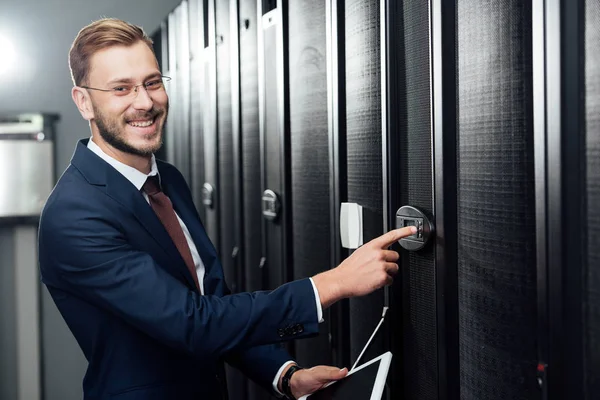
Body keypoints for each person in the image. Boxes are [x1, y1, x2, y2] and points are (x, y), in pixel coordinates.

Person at [37, 18, 416, 400]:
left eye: (153, 82)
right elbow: (193, 323)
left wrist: (284, 374)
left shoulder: (167, 180)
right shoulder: (74, 215)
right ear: (84, 101)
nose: (145, 102)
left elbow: (215, 306)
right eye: (122, 88)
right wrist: (332, 284)